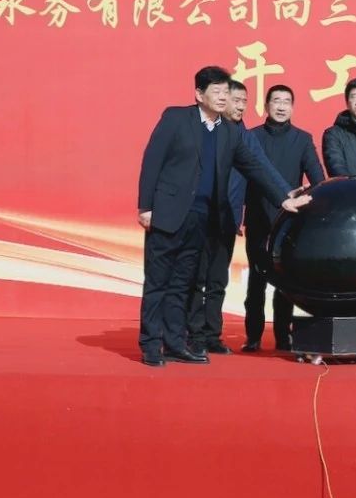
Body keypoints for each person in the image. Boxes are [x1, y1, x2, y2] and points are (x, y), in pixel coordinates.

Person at [137, 66, 308, 368]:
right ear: (199, 94)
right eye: (216, 91)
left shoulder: (229, 131)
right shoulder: (176, 118)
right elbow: (153, 160)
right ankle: (151, 343)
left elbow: (255, 166)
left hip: (203, 218)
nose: (222, 97)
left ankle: (175, 343)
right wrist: (145, 207)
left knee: (183, 284)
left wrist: (284, 197)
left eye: (226, 92)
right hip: (168, 214)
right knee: (158, 282)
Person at [186, 79, 287, 355]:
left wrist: (286, 195)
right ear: (222, 100)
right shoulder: (206, 131)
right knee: (196, 277)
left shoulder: (245, 136)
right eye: (236, 100)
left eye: (245, 101)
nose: (241, 106)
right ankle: (193, 334)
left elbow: (263, 168)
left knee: (218, 280)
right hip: (200, 216)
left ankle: (211, 335)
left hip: (227, 219)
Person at [241, 84, 325, 352]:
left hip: (290, 223)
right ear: (266, 106)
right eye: (276, 101)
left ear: (293, 107)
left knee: (286, 283)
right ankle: (253, 336)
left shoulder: (303, 139)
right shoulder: (250, 137)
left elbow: (318, 179)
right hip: (258, 218)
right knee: (256, 282)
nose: (281, 106)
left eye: (286, 101)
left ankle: (283, 335)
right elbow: (240, 180)